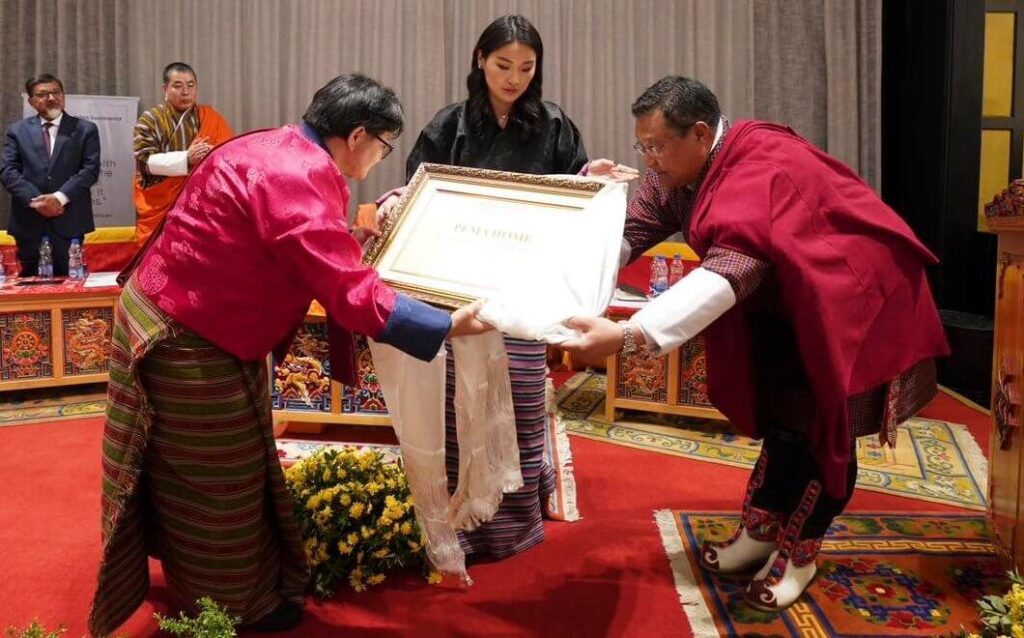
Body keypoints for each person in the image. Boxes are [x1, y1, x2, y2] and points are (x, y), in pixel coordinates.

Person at [88, 73, 493, 636]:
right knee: (214, 478)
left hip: (190, 315)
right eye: (383, 146)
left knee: (227, 461)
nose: (379, 158)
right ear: (357, 135)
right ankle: (226, 605)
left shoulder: (278, 145)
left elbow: (299, 246)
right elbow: (349, 293)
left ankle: (236, 580)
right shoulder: (299, 175)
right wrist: (445, 324)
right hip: (185, 332)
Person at [561, 76, 949, 611]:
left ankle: (801, 553)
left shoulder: (758, 168)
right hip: (790, 306)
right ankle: (760, 534)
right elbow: (635, 227)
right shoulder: (683, 170)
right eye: (641, 146)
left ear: (699, 134)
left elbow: (729, 271)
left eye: (655, 146)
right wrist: (579, 279)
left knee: (823, 433)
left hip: (855, 302)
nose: (648, 160)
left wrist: (628, 335)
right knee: (785, 422)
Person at [396, 14, 598, 559]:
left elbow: (572, 198)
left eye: (526, 68)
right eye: (503, 65)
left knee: (522, 401)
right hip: (460, 284)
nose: (514, 78)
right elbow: (420, 191)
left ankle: (515, 521)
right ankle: (459, 516)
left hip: (523, 282)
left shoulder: (554, 124)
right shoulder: (450, 124)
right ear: (479, 61)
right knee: (459, 404)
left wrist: (590, 182)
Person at [0, 74, 100, 276]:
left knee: (70, 283)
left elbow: (90, 170)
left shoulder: (85, 129)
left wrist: (58, 199)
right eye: (43, 94)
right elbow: (7, 170)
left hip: (69, 220)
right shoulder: (17, 131)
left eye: (56, 92)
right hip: (28, 221)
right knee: (30, 286)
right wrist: (37, 202)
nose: (52, 98)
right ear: (31, 101)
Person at [132, 61, 233, 246]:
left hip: (200, 206)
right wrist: (186, 158)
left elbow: (230, 159)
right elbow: (145, 163)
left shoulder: (212, 118)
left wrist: (212, 156)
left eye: (190, 85)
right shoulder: (150, 120)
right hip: (160, 208)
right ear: (165, 88)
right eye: (178, 86)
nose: (185, 92)